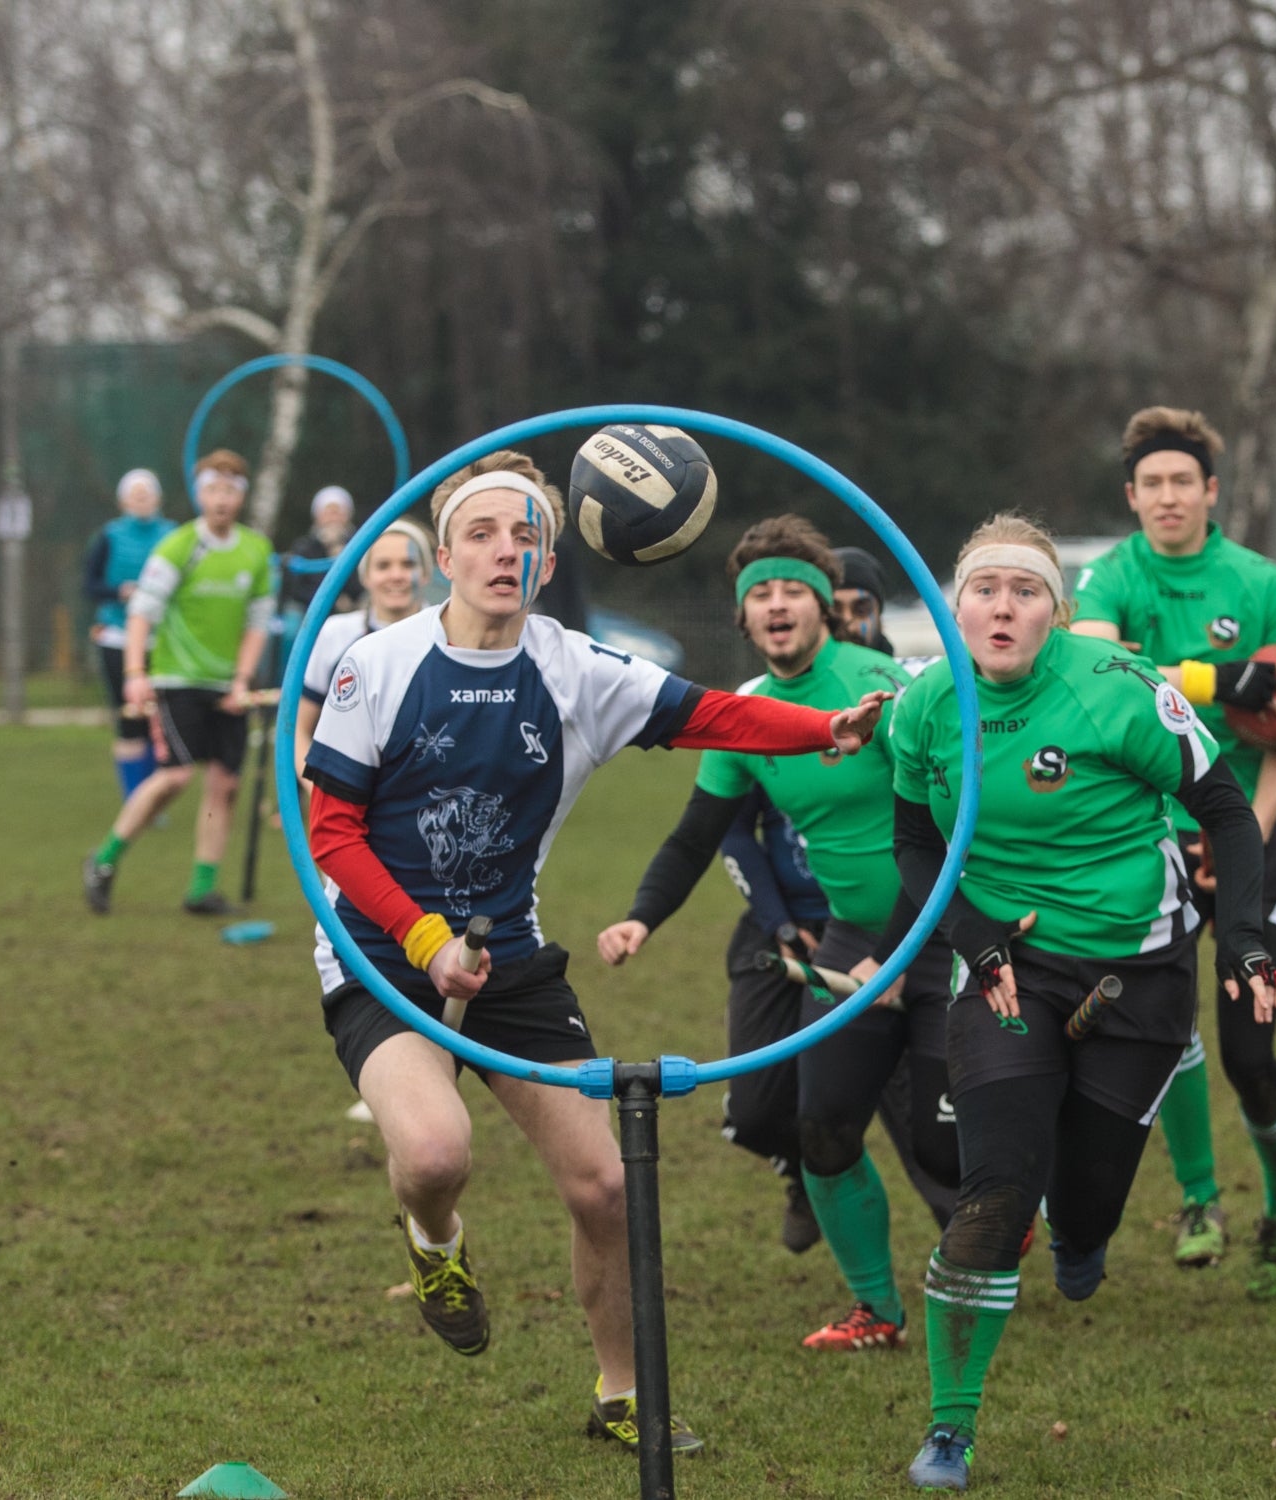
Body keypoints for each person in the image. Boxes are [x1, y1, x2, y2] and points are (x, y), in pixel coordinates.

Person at [301, 453, 886, 1455]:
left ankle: (621, 1395)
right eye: (482, 532)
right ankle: (435, 1243)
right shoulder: (376, 665)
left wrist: (824, 726)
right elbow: (332, 834)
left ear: (550, 559)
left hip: (512, 961)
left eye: (526, 535)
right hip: (379, 953)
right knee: (436, 1154)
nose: (504, 551)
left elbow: (715, 713)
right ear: (443, 553)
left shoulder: (576, 669)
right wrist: (426, 940)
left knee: (606, 1187)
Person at [891, 513, 1276, 1491]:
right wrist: (970, 936)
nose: (1002, 607)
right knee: (993, 1198)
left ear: (1056, 612)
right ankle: (950, 1428)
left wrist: (1240, 935)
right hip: (1003, 965)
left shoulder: (1126, 693)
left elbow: (1228, 813)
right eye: (984, 590)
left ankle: (1084, 1231)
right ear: (955, 602)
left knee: (1090, 1209)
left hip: (1136, 973)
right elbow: (915, 848)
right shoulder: (925, 703)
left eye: (1025, 591)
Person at [598, 516, 959, 1355]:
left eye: (792, 588)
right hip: (847, 937)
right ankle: (878, 1310)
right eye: (760, 593)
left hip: (942, 927)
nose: (777, 604)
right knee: (823, 1127)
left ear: (826, 605)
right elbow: (698, 833)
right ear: (743, 618)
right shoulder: (747, 713)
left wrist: (900, 949)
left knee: (949, 1138)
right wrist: (640, 917)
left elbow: (945, 828)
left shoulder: (886, 688)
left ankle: (1020, 1212)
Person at [1072, 407, 1276, 1298]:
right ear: (1131, 497)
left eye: (1184, 482)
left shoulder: (1258, 581)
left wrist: (1242, 826)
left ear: (1211, 492)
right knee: (1163, 1027)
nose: (1168, 497)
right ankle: (1200, 1200)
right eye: (1152, 484)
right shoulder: (1107, 576)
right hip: (1152, 835)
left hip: (1250, 821)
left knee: (1250, 1053)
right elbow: (1096, 664)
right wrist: (1217, 680)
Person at [81, 449, 273, 916]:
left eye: (230, 489)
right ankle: (104, 860)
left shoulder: (257, 551)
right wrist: (134, 675)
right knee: (175, 776)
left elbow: (256, 623)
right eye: (212, 488)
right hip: (176, 680)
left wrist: (243, 679)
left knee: (225, 784)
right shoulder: (178, 546)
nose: (221, 498)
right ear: (198, 493)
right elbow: (142, 613)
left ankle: (201, 888)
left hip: (229, 685)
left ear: (241, 496)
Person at [293, 518, 435, 778]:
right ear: (366, 576)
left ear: (426, 573)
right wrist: (324, 795)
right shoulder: (335, 634)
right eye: (383, 565)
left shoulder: (444, 635)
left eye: (408, 564)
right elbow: (299, 730)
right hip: (345, 799)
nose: (396, 575)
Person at [81, 469, 176, 800]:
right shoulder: (109, 537)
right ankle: (135, 797)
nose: (141, 499)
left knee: (161, 721)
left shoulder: (174, 535)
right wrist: (119, 592)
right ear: (123, 500)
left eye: (146, 493)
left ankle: (154, 796)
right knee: (130, 719)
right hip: (117, 638)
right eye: (135, 494)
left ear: (158, 498)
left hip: (163, 639)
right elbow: (89, 585)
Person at [277, 485, 360, 676]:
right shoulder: (304, 547)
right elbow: (295, 587)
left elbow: (360, 586)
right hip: (310, 616)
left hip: (348, 615)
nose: (333, 518)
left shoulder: (357, 546)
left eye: (337, 512)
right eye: (328, 512)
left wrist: (337, 553)